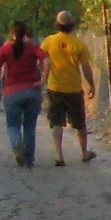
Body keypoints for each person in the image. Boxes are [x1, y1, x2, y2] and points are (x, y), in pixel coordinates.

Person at [41, 10, 97, 166]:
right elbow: (86, 67)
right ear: (72, 25)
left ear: (57, 24)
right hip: (73, 88)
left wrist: (43, 75)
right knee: (79, 122)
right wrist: (91, 84)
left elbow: (41, 60)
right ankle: (84, 152)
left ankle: (59, 154)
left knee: (56, 121)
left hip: (55, 87)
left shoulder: (48, 41)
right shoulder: (79, 44)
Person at [0, 19, 48, 167]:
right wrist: (44, 80)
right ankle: (29, 158)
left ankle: (17, 143)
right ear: (25, 33)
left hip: (12, 92)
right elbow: (47, 60)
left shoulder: (5, 49)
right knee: (30, 126)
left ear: (11, 33)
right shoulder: (32, 47)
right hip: (32, 90)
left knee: (13, 125)